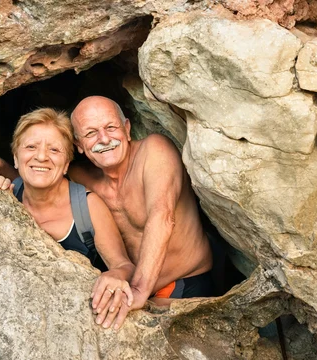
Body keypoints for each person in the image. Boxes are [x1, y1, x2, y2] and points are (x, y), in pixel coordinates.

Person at [0, 108, 135, 330]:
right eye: (31, 147)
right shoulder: (6, 195)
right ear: (15, 157)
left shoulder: (87, 207)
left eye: (54, 149)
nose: (41, 156)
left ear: (67, 164)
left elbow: (123, 264)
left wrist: (115, 274)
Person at [69, 96, 214, 315]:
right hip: (134, 288)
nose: (105, 139)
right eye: (91, 133)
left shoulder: (154, 151)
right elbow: (39, 186)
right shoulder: (80, 178)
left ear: (127, 128)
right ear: (78, 144)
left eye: (111, 127)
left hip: (186, 283)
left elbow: (162, 216)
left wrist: (138, 290)